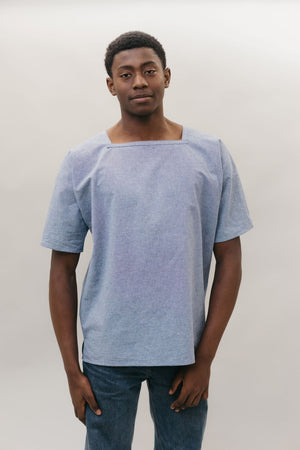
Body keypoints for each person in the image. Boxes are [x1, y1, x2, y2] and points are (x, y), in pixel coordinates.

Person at [41, 31, 253, 450]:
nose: (139, 81)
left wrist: (205, 359)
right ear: (111, 85)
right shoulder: (84, 161)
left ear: (166, 77)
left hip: (183, 353)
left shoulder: (209, 155)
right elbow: (61, 267)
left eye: (148, 70)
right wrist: (72, 369)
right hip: (106, 355)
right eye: (126, 74)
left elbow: (230, 258)